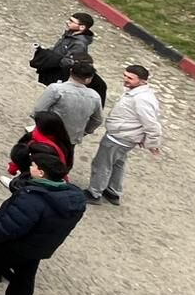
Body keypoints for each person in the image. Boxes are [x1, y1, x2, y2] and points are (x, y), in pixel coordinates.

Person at [0, 149, 87, 295]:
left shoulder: (33, 198)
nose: (29, 167)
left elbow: (9, 226)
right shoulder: (74, 198)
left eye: (33, 166)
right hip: (36, 249)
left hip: (10, 246)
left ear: (41, 173)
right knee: (24, 279)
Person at [85, 64, 163, 205]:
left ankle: (94, 193)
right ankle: (113, 191)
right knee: (117, 163)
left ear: (143, 81)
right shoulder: (137, 93)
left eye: (130, 78)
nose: (125, 79)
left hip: (119, 137)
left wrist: (152, 144)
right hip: (125, 136)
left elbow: (151, 124)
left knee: (102, 164)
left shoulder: (141, 99)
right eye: (125, 76)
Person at [32, 62, 104, 148]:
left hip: (48, 134)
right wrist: (83, 132)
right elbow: (97, 120)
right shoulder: (95, 96)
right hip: (71, 139)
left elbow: (38, 110)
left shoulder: (56, 89)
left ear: (70, 71)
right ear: (89, 79)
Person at [30, 12, 96, 85]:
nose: (67, 22)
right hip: (52, 69)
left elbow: (69, 61)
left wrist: (51, 59)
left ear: (82, 27)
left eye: (71, 21)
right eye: (69, 19)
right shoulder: (69, 34)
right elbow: (59, 48)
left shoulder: (79, 44)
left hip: (58, 74)